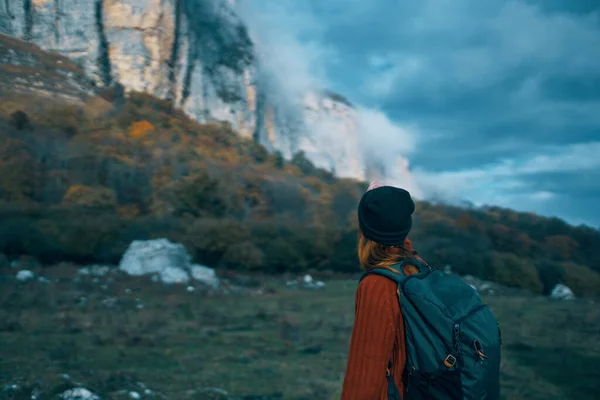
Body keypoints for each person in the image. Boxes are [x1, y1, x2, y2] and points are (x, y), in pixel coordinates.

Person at [340, 183, 423, 399]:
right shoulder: (417, 267)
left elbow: (363, 378)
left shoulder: (377, 285)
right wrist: (388, 213)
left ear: (364, 229)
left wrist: (374, 209)